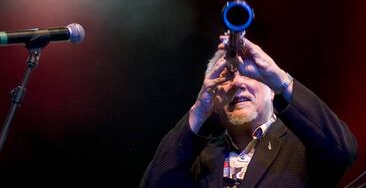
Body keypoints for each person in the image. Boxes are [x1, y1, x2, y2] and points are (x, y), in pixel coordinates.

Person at [139, 36, 358, 188]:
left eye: (250, 75)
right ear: (214, 97)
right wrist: (199, 109)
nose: (238, 84)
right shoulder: (196, 158)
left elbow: (342, 150)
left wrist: (277, 76)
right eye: (228, 75)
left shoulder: (302, 148)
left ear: (271, 90)